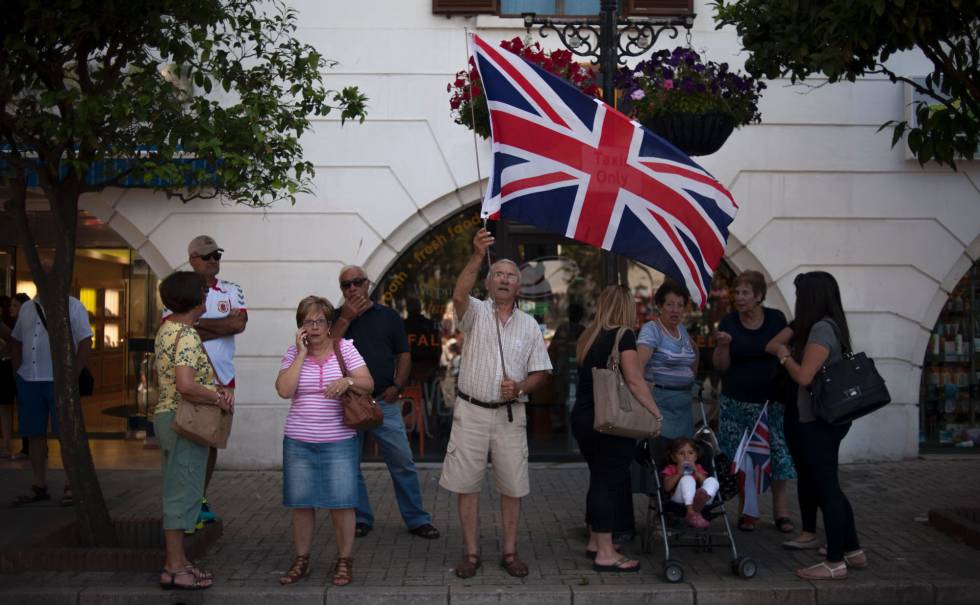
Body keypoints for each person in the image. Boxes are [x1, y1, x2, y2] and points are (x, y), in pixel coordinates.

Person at [440, 228, 552, 579]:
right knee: (467, 485)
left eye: (510, 276)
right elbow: (459, 293)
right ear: (488, 283)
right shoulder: (474, 311)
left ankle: (510, 552)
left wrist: (519, 388)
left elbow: (542, 372)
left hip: (509, 415)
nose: (504, 280)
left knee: (513, 486)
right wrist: (477, 255)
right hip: (471, 411)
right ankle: (471, 553)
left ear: (519, 287)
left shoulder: (530, 325)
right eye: (498, 274)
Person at [766, 271, 866, 580]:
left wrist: (784, 356)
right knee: (829, 486)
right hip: (826, 420)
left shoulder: (822, 329)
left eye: (800, 296)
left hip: (818, 422)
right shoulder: (828, 325)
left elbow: (804, 376)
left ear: (809, 298)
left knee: (827, 490)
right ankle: (853, 550)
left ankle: (835, 561)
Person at [328, 267, 440, 540]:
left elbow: (404, 354)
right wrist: (346, 318)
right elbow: (327, 350)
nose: (352, 288)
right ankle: (361, 518)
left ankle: (416, 519)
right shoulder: (335, 317)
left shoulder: (389, 316)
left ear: (367, 284)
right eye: (346, 285)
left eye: (357, 282)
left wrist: (397, 386)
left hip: (383, 403)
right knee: (350, 467)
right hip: (349, 404)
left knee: (402, 463)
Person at [275, 295, 373, 587]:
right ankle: (301, 559)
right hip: (299, 441)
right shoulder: (292, 354)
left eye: (320, 321)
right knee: (302, 504)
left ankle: (344, 560)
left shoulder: (345, 349)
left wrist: (348, 381)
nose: (315, 327)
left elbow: (368, 383)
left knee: (342, 504)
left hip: (339, 441)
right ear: (301, 327)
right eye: (308, 321)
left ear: (330, 325)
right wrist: (301, 354)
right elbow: (284, 390)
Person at [572, 285, 662, 573]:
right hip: (610, 421)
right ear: (626, 307)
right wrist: (655, 413)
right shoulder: (624, 335)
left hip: (584, 418)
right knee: (607, 483)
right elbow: (634, 381)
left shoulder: (589, 335)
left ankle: (596, 542)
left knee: (599, 477)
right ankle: (606, 553)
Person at [154, 271, 233, 590]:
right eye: (204, 292)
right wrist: (217, 397)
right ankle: (174, 567)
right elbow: (186, 385)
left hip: (169, 417)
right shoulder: (186, 334)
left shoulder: (167, 329)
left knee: (181, 487)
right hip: (184, 421)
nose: (207, 297)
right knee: (182, 492)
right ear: (195, 298)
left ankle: (180, 562)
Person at [164, 235, 247, 530]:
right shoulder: (178, 290)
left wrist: (197, 324)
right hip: (188, 379)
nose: (214, 260)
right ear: (192, 260)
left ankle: (199, 498)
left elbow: (238, 324)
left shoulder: (232, 289)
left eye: (217, 255)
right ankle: (184, 506)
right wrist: (219, 327)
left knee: (211, 441)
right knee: (187, 441)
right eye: (207, 256)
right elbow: (173, 328)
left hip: (222, 379)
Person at [712, 270, 797, 533]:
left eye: (745, 293)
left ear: (758, 296)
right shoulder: (728, 322)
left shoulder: (776, 319)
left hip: (771, 403)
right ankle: (746, 511)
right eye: (736, 292)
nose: (739, 297)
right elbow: (721, 366)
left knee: (778, 455)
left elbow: (787, 352)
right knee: (742, 458)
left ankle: (781, 512)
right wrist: (723, 346)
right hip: (736, 402)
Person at [8, 288, 92, 507]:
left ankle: (71, 484)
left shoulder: (73, 306)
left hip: (58, 381)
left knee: (65, 434)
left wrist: (73, 374)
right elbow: (16, 339)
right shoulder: (27, 308)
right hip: (30, 378)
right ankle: (39, 484)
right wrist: (18, 371)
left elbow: (85, 340)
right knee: (34, 434)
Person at [637, 279, 699, 439]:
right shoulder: (651, 330)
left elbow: (694, 353)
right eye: (670, 304)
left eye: (680, 305)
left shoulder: (681, 329)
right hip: (660, 408)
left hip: (684, 409)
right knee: (662, 452)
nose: (675, 310)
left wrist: (690, 380)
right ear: (660, 306)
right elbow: (638, 367)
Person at [660, 437, 720, 529]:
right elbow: (667, 488)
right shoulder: (671, 468)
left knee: (712, 480)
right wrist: (678, 474)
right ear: (674, 458)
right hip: (680, 500)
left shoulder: (698, 467)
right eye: (681, 453)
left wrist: (696, 472)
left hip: (703, 500)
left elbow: (705, 482)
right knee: (687, 478)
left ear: (695, 456)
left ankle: (699, 501)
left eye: (690, 453)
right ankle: (690, 512)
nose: (686, 456)